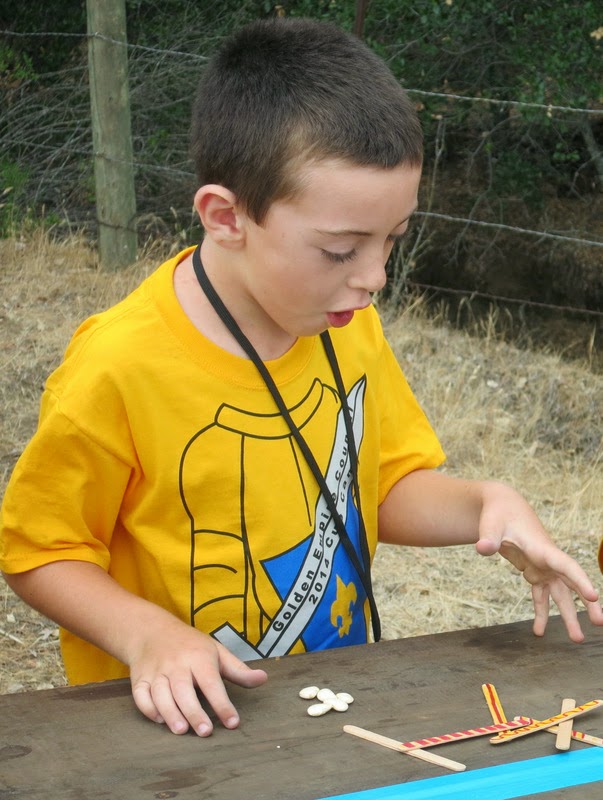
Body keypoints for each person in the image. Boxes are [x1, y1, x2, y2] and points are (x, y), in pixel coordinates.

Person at [1, 17, 602, 740]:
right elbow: (41, 552)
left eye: (392, 239)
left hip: (330, 708)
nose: (374, 278)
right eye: (341, 250)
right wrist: (145, 635)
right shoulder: (117, 367)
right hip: (179, 731)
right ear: (226, 217)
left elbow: (380, 489)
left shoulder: (345, 323)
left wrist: (486, 504)